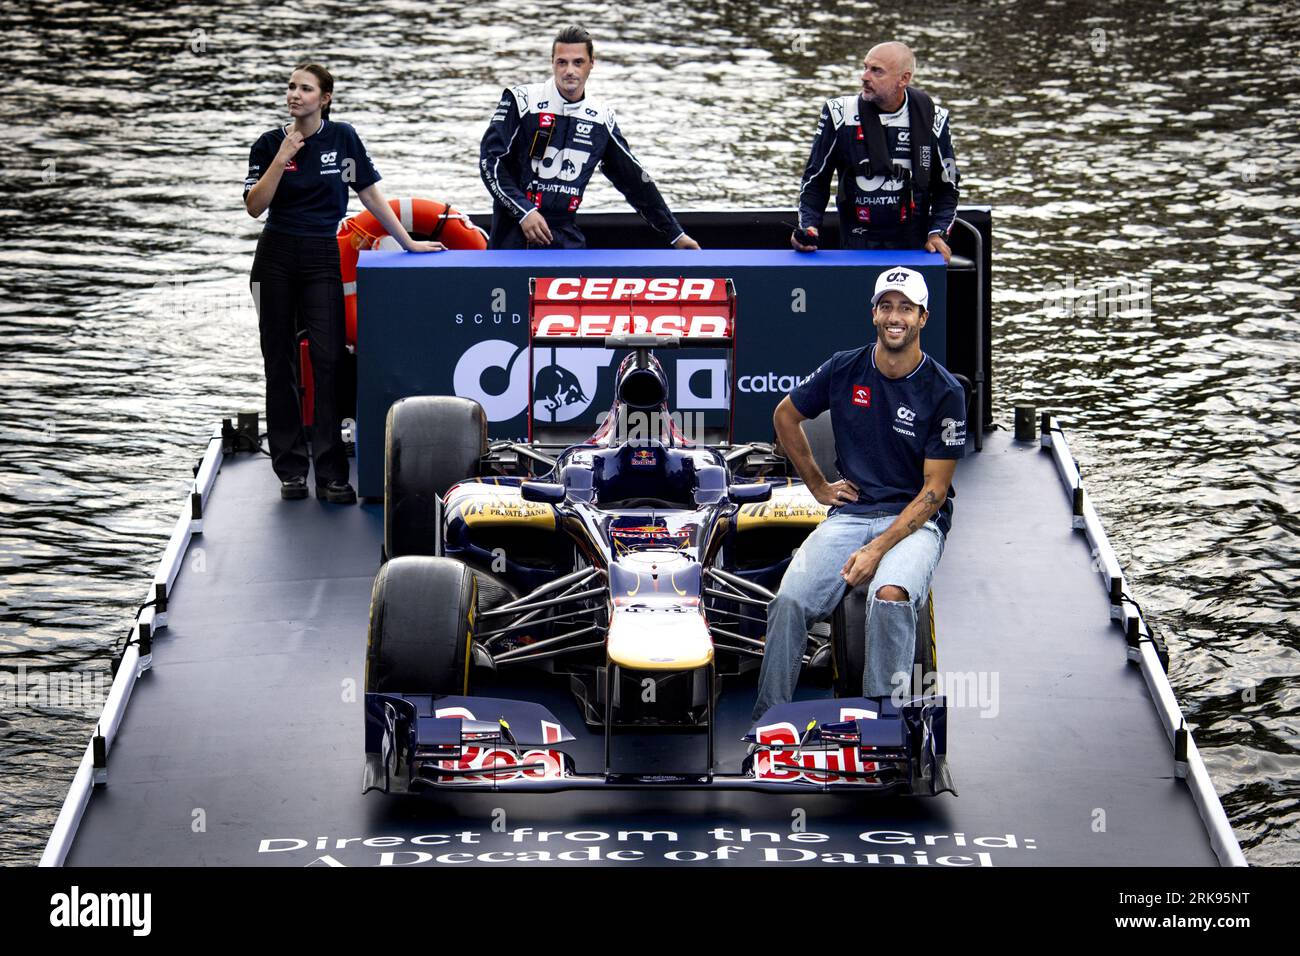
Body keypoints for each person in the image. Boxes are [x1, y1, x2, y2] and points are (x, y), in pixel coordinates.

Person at [752, 267, 968, 720]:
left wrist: (875, 550)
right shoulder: (844, 367)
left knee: (888, 596)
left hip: (916, 523)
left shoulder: (945, 391)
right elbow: (784, 416)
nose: (896, 317)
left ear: (922, 318)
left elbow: (934, 492)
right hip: (850, 514)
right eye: (886, 306)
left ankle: (881, 724)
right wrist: (817, 486)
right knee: (789, 602)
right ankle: (767, 724)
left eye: (906, 308)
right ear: (874, 314)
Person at [243, 63, 443, 503]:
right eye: (292, 87)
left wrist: (408, 242)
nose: (295, 95)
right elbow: (255, 207)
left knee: (328, 359)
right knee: (279, 362)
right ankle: (291, 470)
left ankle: (332, 473)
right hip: (275, 254)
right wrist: (281, 159)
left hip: (320, 254)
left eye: (306, 89)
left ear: (325, 98)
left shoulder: (343, 138)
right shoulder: (268, 143)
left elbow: (369, 192)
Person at [479, 25, 701, 250]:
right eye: (562, 62)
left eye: (578, 62)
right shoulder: (521, 100)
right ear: (552, 62)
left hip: (565, 238)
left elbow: (634, 180)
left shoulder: (600, 117)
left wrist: (675, 234)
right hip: (513, 234)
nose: (569, 71)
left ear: (591, 63)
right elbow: (490, 161)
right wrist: (524, 211)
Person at [790, 42, 959, 262]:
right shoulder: (839, 113)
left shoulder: (934, 118)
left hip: (913, 246)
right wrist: (808, 227)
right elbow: (815, 180)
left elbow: (948, 187)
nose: (864, 76)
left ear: (904, 79)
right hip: (856, 242)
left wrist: (937, 233)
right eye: (865, 67)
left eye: (876, 71)